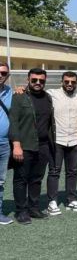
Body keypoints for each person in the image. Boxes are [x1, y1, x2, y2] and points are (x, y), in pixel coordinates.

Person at [9, 68, 55, 224]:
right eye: (34, 80)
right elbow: (14, 122)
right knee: (21, 179)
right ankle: (21, 211)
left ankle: (33, 208)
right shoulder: (19, 96)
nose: (38, 83)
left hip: (43, 146)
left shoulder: (48, 97)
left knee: (36, 178)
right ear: (28, 79)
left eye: (41, 80)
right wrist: (16, 145)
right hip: (25, 145)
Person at [45, 71, 77, 215]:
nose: (69, 84)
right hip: (57, 141)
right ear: (61, 82)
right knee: (54, 171)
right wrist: (22, 89)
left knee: (72, 172)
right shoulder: (52, 94)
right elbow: (35, 92)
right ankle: (52, 201)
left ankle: (71, 199)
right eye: (67, 81)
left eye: (73, 82)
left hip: (75, 140)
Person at [0, 63, 11, 225]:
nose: (0, 75)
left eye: (4, 73)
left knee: (0, 181)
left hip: (4, 144)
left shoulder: (10, 92)